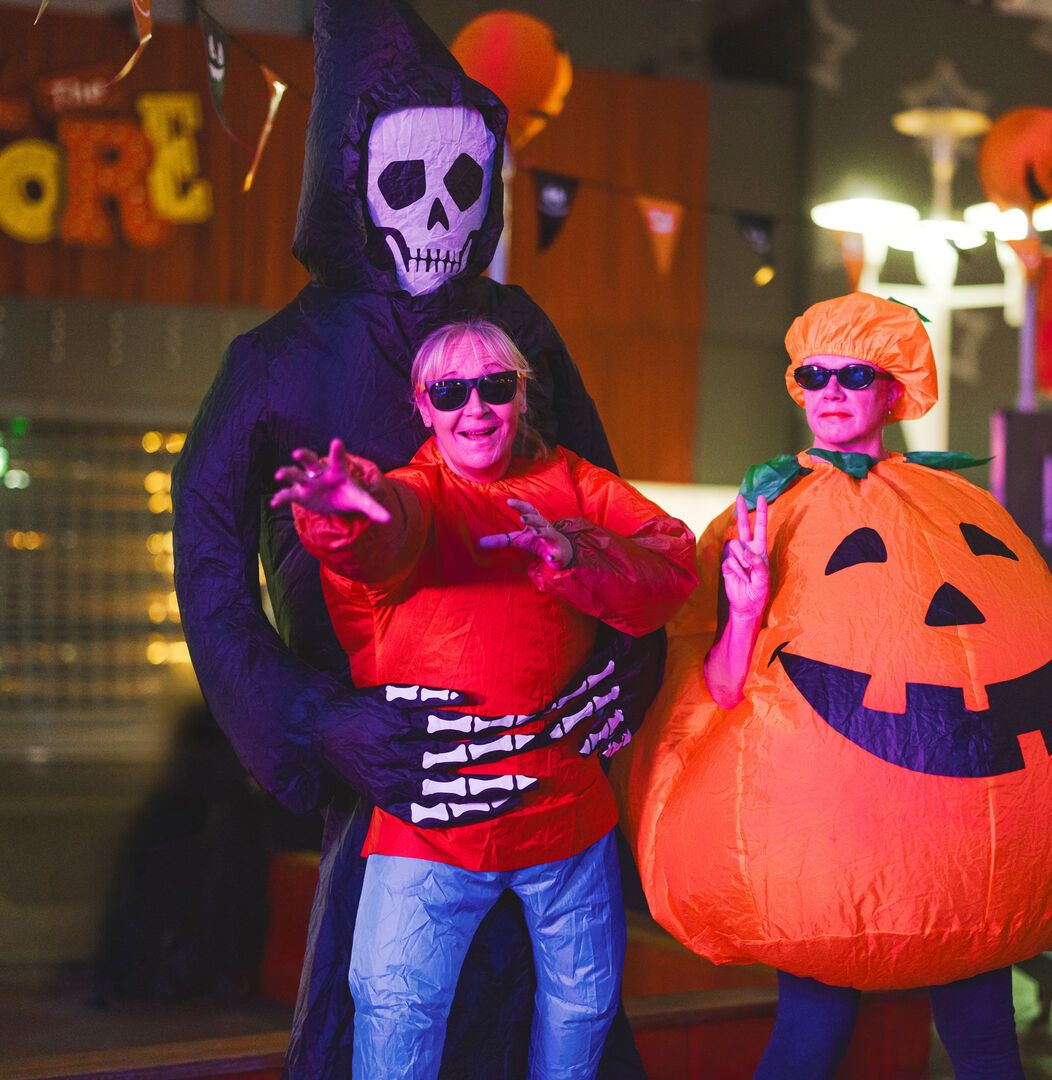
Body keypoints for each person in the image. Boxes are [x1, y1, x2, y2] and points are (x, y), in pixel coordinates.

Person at [171, 2, 661, 1074]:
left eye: (462, 180)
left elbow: (604, 500)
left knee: (563, 1016)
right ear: (350, 179)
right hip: (395, 787)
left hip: (545, 769)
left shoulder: (516, 328)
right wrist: (315, 720)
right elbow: (206, 561)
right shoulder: (278, 359)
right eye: (404, 180)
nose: (439, 211)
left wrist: (623, 659)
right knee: (388, 1019)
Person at [620, 293, 1052, 1080]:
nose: (831, 391)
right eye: (815, 375)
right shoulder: (762, 516)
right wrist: (746, 608)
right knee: (813, 1029)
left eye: (853, 375)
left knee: (980, 1035)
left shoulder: (958, 507)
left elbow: (1019, 647)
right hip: (833, 844)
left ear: (891, 390)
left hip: (961, 840)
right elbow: (717, 692)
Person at [273, 320, 697, 1079]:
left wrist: (573, 551)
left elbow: (669, 562)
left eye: (495, 386)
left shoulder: (573, 483)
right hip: (434, 824)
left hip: (564, 814)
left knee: (585, 1009)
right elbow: (383, 538)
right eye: (451, 390)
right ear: (423, 405)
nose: (476, 407)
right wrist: (345, 510)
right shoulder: (413, 493)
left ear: (521, 394)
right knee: (396, 1006)